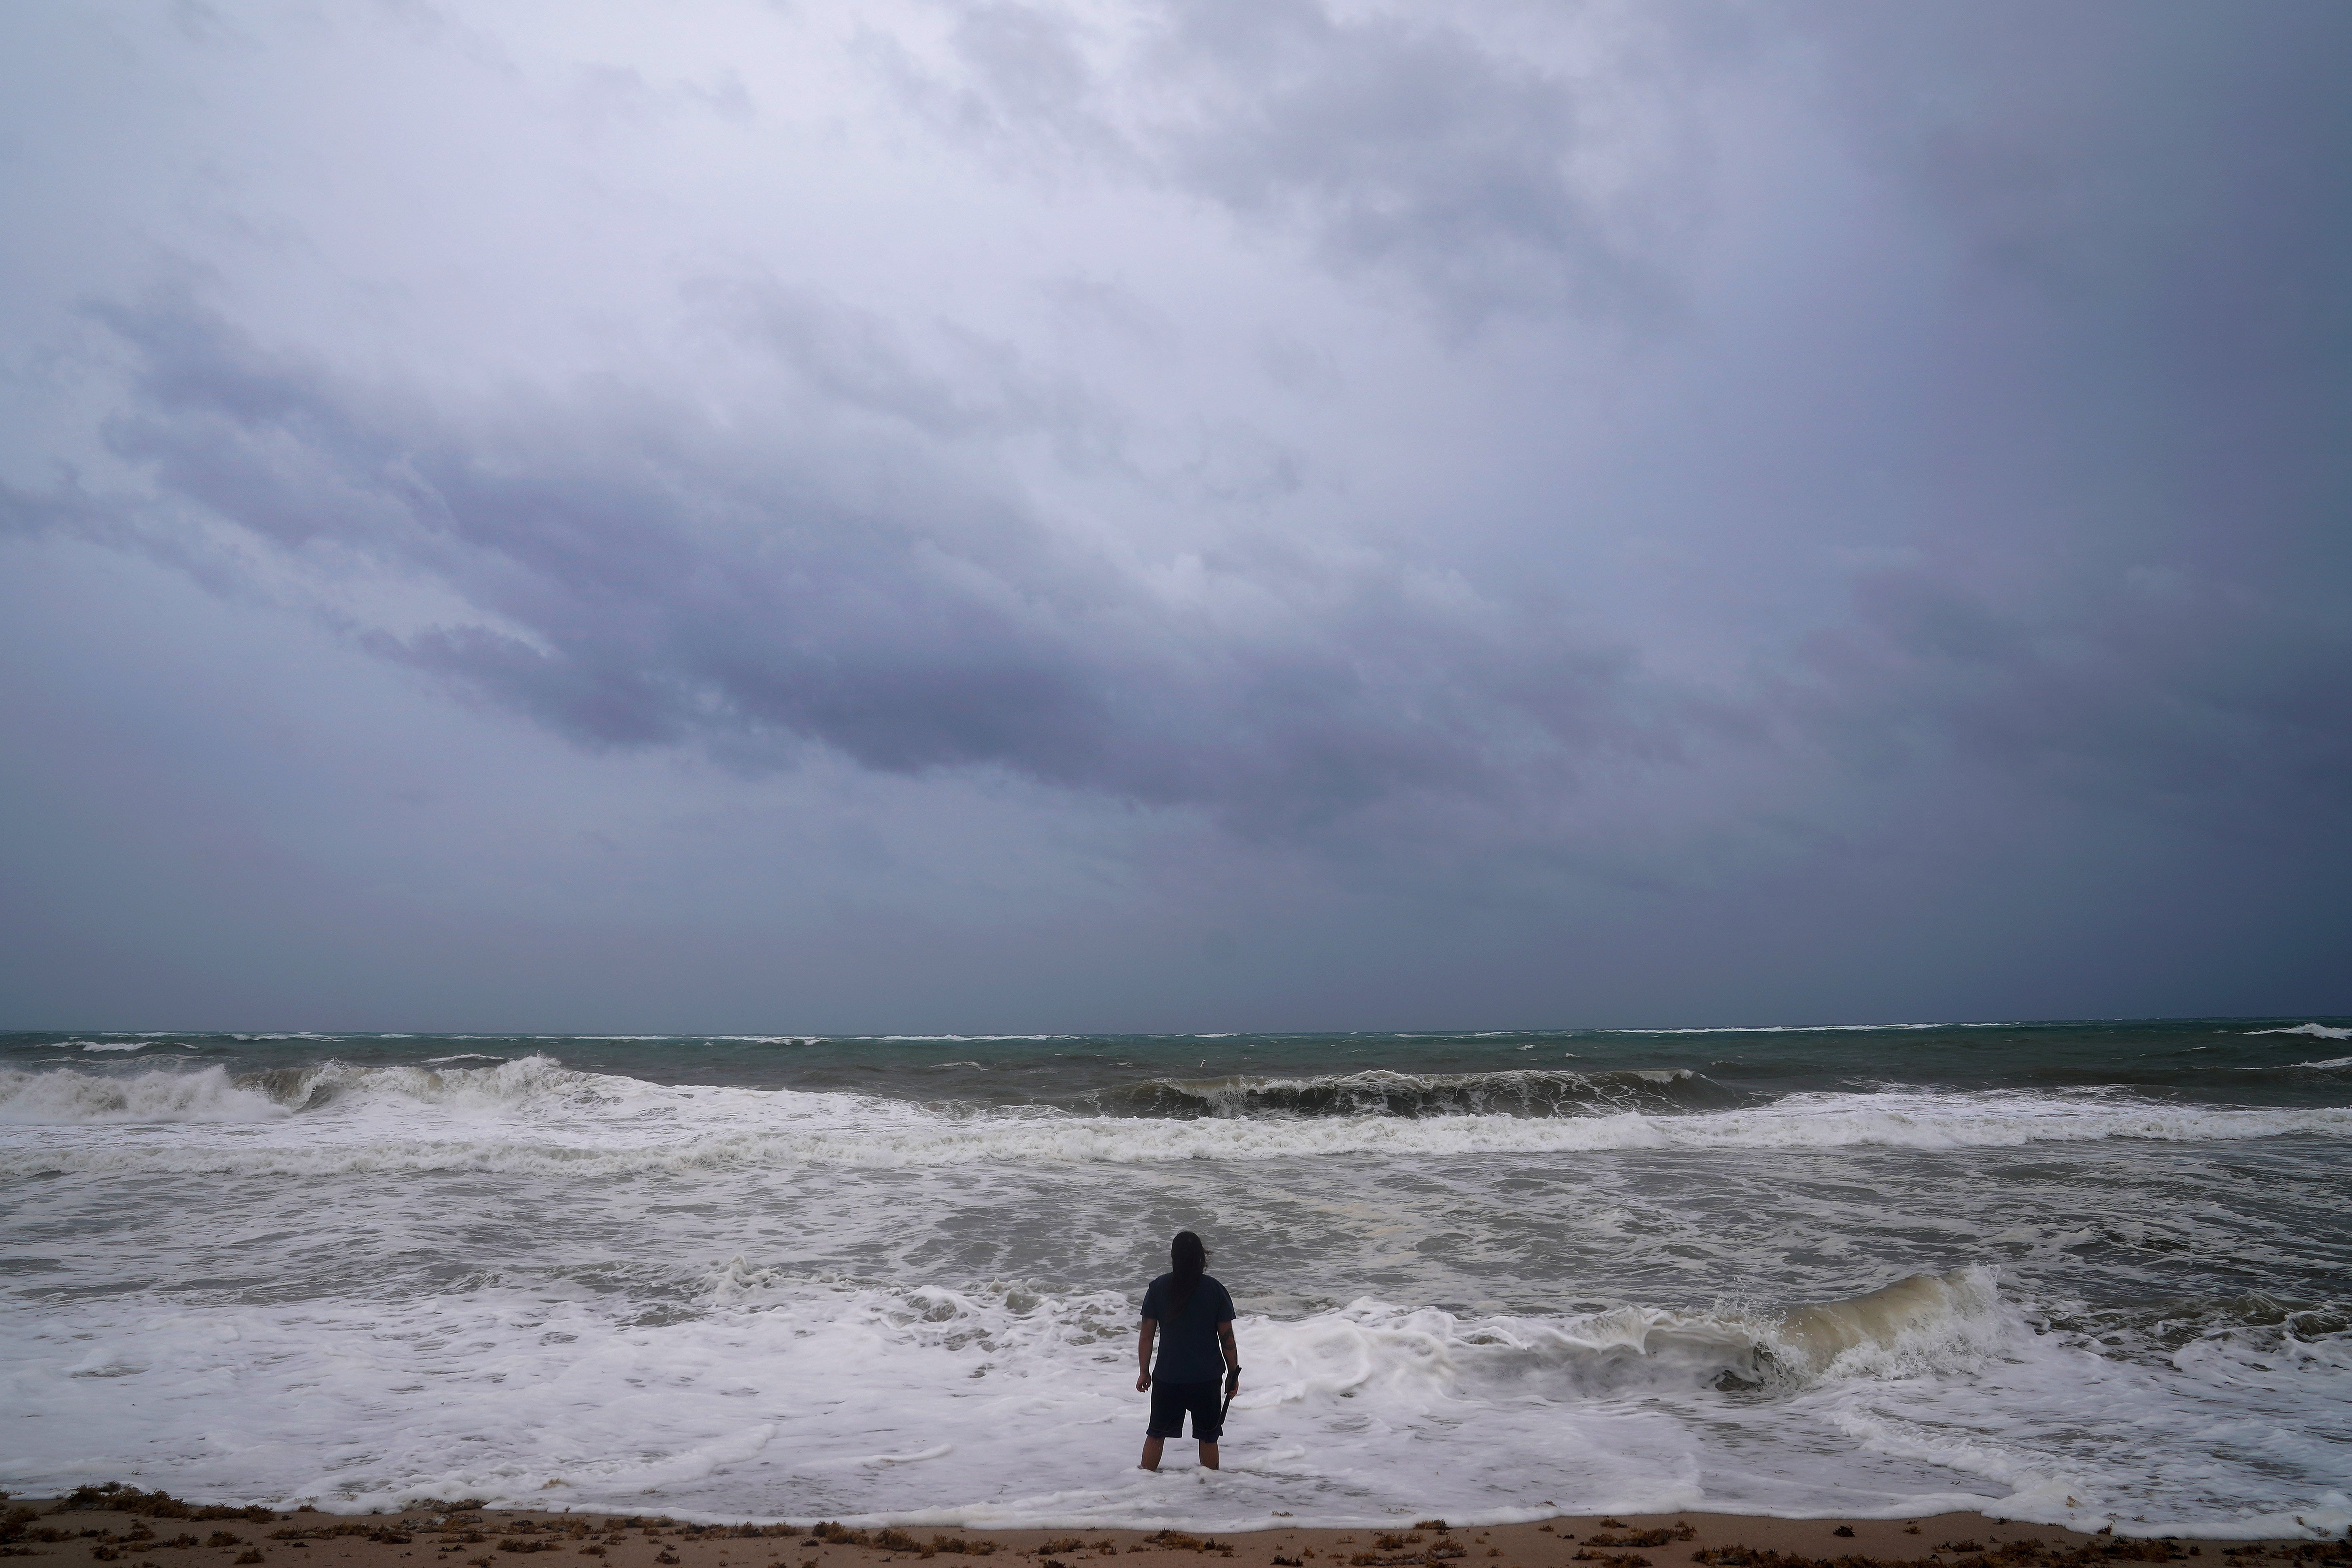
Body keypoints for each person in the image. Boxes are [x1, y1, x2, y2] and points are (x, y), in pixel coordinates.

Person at [1135, 1229, 1240, 1471]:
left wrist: (1144, 1371)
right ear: (1201, 1258)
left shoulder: (1158, 1288)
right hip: (1207, 1378)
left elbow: (1146, 1335)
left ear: (1174, 1258)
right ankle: (1211, 1492)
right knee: (1208, 1437)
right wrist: (1233, 1375)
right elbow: (1227, 1338)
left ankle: (1142, 1489)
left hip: (1168, 1377)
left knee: (1156, 1434)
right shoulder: (1215, 1290)